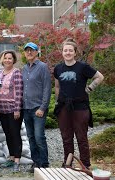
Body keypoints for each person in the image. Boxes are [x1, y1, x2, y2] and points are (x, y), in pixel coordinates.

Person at [54, 38, 104, 169]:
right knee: (66, 138)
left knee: (81, 138)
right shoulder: (58, 68)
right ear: (62, 52)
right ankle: (68, 164)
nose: (68, 52)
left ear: (75, 52)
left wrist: (90, 88)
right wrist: (57, 101)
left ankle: (85, 165)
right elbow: (57, 86)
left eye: (70, 50)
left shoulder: (83, 67)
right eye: (65, 50)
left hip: (80, 107)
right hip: (64, 107)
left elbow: (100, 77)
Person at [22, 42, 51, 171]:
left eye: (31, 50)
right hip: (26, 108)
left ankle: (44, 163)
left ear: (36, 52)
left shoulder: (43, 67)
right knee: (31, 137)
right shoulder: (24, 68)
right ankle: (36, 162)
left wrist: (43, 108)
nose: (29, 53)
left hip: (38, 108)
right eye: (27, 50)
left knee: (39, 137)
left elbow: (47, 88)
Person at [0, 50, 23, 172]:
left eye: (10, 58)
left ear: (13, 60)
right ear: (2, 60)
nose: (7, 60)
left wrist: (17, 109)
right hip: (2, 109)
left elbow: (19, 92)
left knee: (15, 134)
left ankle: (17, 160)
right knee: (8, 134)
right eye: (5, 58)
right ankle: (11, 158)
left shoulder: (16, 73)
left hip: (13, 110)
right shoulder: (0, 73)